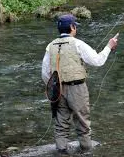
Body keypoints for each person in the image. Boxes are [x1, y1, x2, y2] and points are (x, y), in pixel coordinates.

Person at [41, 14, 118, 155]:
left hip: (57, 90)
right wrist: (109, 46)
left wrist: (55, 87)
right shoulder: (78, 44)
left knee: (61, 123)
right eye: (75, 25)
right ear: (72, 27)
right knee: (82, 122)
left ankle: (61, 151)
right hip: (77, 88)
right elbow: (97, 61)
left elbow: (45, 73)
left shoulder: (49, 46)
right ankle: (87, 151)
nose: (75, 28)